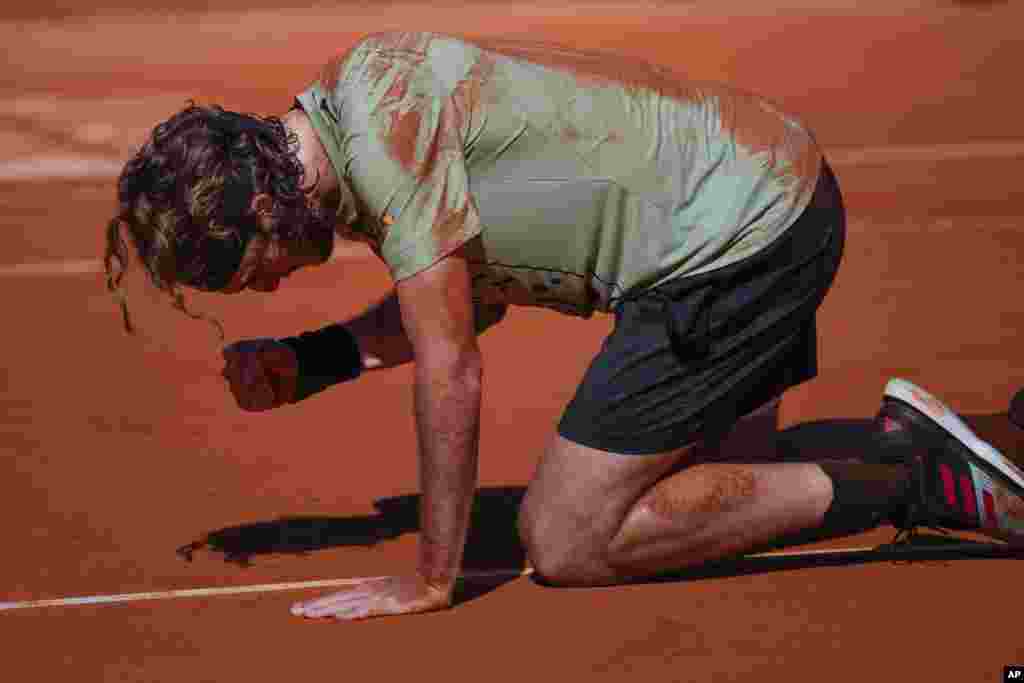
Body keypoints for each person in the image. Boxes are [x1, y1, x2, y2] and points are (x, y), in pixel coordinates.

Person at [103, 31, 1024, 621]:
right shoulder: (353, 119)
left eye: (241, 270)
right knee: (712, 499)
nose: (257, 289)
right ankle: (958, 447)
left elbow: (451, 364)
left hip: (739, 249)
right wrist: (314, 361)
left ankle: (915, 475)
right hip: (767, 198)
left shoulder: (383, 142)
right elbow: (479, 294)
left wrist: (432, 576)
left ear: (261, 205)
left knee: (568, 538)